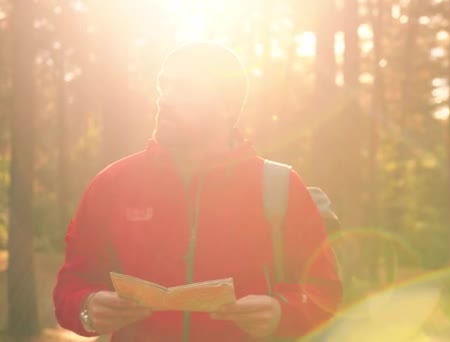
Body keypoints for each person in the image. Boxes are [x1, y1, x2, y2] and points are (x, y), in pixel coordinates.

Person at [53, 42, 342, 341]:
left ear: (228, 106)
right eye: (163, 86)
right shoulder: (111, 184)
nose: (165, 99)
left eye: (185, 88)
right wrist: (87, 307)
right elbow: (70, 286)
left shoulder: (281, 186)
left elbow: (325, 292)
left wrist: (282, 313)